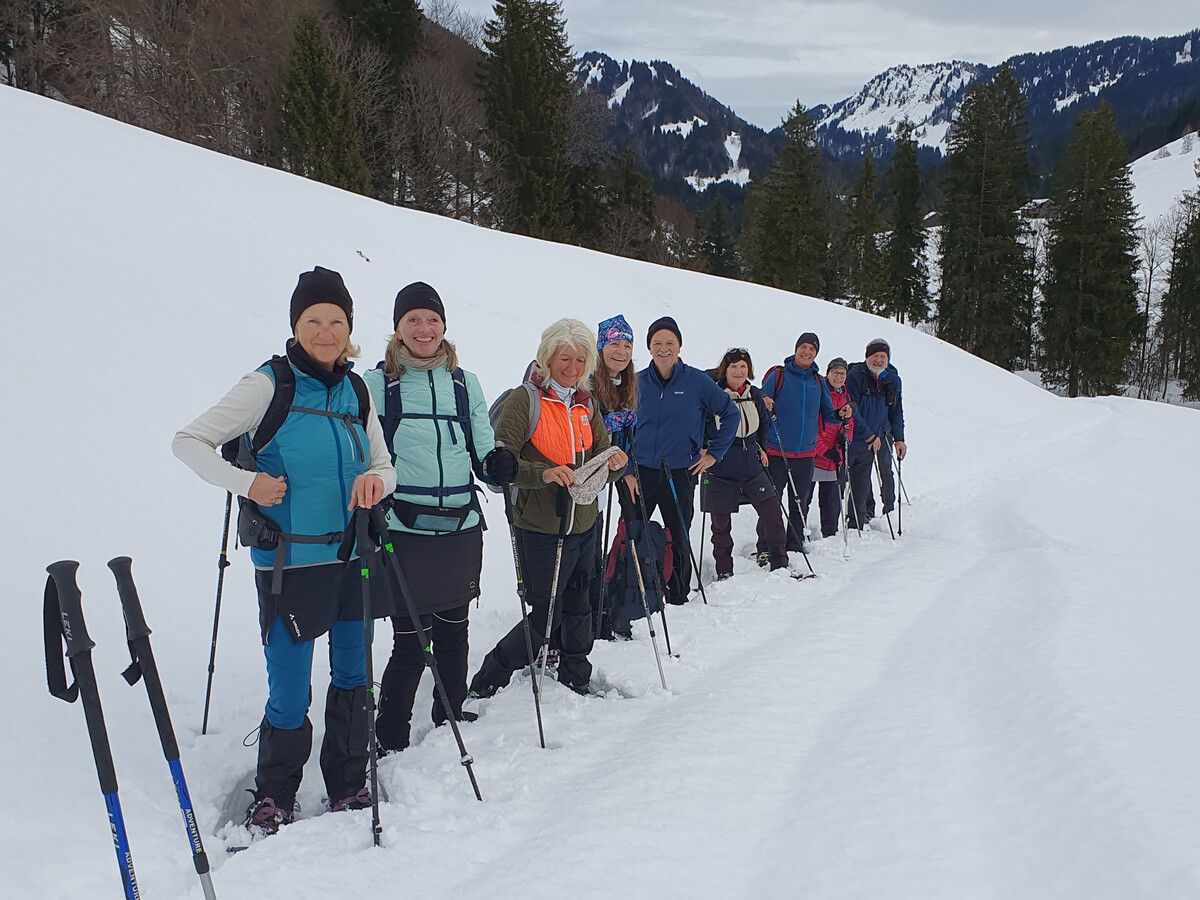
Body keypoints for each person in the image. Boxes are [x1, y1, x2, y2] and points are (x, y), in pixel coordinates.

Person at [173, 266, 396, 835]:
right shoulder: (268, 385)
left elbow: (383, 465)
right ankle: (275, 793)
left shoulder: (357, 389)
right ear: (295, 325)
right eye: (314, 320)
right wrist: (248, 484)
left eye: (337, 321)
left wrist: (375, 483)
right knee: (291, 685)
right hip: (288, 564)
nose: (326, 332)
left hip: (351, 557)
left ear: (350, 329)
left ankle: (348, 781)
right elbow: (188, 442)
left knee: (352, 673)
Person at [364, 282, 513, 754]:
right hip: (405, 527)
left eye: (432, 319)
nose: (424, 329)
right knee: (411, 638)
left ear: (444, 325)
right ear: (398, 328)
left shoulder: (463, 382)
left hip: (461, 525)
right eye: (413, 320)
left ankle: (450, 714)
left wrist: (495, 465)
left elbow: (482, 443)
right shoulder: (375, 384)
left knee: (454, 629)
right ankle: (390, 737)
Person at [466, 319, 628, 701]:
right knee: (545, 615)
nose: (571, 368)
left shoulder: (586, 401)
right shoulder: (526, 399)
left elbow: (601, 451)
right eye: (564, 358)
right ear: (547, 357)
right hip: (540, 525)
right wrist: (544, 474)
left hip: (585, 521)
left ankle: (576, 675)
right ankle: (490, 677)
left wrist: (615, 465)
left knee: (579, 606)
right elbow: (503, 464)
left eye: (579, 360)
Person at [628, 316, 738, 604]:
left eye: (670, 343)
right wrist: (627, 467)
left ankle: (678, 593)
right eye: (657, 343)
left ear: (679, 346)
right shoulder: (636, 382)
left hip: (680, 471)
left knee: (678, 533)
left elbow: (730, 413)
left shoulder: (697, 381)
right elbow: (621, 429)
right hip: (641, 472)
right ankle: (631, 591)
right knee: (634, 532)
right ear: (649, 347)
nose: (663, 349)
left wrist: (714, 453)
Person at [756, 332, 849, 557]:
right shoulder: (779, 375)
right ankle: (765, 547)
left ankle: (795, 545)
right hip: (777, 451)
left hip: (806, 454)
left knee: (799, 504)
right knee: (771, 502)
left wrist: (840, 414)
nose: (807, 352)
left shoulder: (817, 381)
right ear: (796, 348)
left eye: (812, 349)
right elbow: (760, 401)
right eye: (804, 347)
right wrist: (764, 399)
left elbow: (827, 413)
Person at [701, 348, 788, 579]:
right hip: (720, 466)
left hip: (751, 464)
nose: (739, 371)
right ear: (725, 369)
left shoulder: (755, 394)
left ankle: (779, 563)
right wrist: (702, 447)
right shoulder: (713, 394)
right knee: (720, 526)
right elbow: (701, 423)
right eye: (733, 366)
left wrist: (762, 448)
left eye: (743, 366)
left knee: (772, 512)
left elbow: (764, 425)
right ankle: (724, 571)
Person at [592, 314, 638, 638]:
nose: (621, 351)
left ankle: (598, 611)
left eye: (627, 344)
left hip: (610, 478)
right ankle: (589, 614)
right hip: (585, 478)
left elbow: (629, 438)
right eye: (614, 343)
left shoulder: (628, 386)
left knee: (599, 547)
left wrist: (628, 472)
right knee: (588, 549)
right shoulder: (588, 382)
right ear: (600, 346)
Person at [846, 337, 905, 530]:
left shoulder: (893, 380)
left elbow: (897, 410)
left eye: (883, 356)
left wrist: (899, 438)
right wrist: (868, 434)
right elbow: (852, 408)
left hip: (884, 433)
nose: (878, 360)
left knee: (885, 470)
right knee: (863, 473)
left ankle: (889, 509)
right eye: (875, 356)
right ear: (867, 357)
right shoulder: (855, 375)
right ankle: (866, 509)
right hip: (861, 435)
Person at [803, 357, 855, 538]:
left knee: (831, 503)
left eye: (842, 373)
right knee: (803, 501)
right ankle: (797, 536)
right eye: (835, 372)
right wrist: (823, 449)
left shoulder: (846, 397)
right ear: (828, 373)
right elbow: (811, 424)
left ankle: (830, 537)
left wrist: (844, 443)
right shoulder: (819, 392)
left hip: (834, 459)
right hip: (813, 456)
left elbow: (850, 425)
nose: (839, 377)